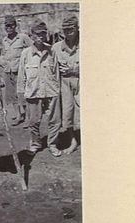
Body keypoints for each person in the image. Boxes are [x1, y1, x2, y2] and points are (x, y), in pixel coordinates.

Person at [17, 18, 62, 157]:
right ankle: (36, 143)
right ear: (31, 36)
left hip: (51, 90)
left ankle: (52, 144)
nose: (40, 37)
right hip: (33, 92)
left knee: (55, 120)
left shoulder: (51, 51)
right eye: (37, 34)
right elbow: (21, 76)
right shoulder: (26, 53)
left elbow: (56, 72)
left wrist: (58, 91)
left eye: (43, 34)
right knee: (33, 121)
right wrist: (20, 95)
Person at [51, 13, 80, 154]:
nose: (68, 33)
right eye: (65, 30)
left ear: (77, 28)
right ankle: (73, 141)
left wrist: (74, 69)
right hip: (64, 83)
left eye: (71, 29)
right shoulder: (56, 48)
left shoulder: (86, 44)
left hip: (82, 81)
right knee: (67, 113)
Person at [1, 15, 32, 126]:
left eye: (11, 25)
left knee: (23, 94)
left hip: (20, 72)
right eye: (7, 26)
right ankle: (19, 115)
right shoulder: (4, 40)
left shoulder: (22, 38)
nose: (9, 28)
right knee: (11, 95)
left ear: (15, 26)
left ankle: (28, 117)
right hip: (8, 71)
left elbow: (32, 49)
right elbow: (3, 55)